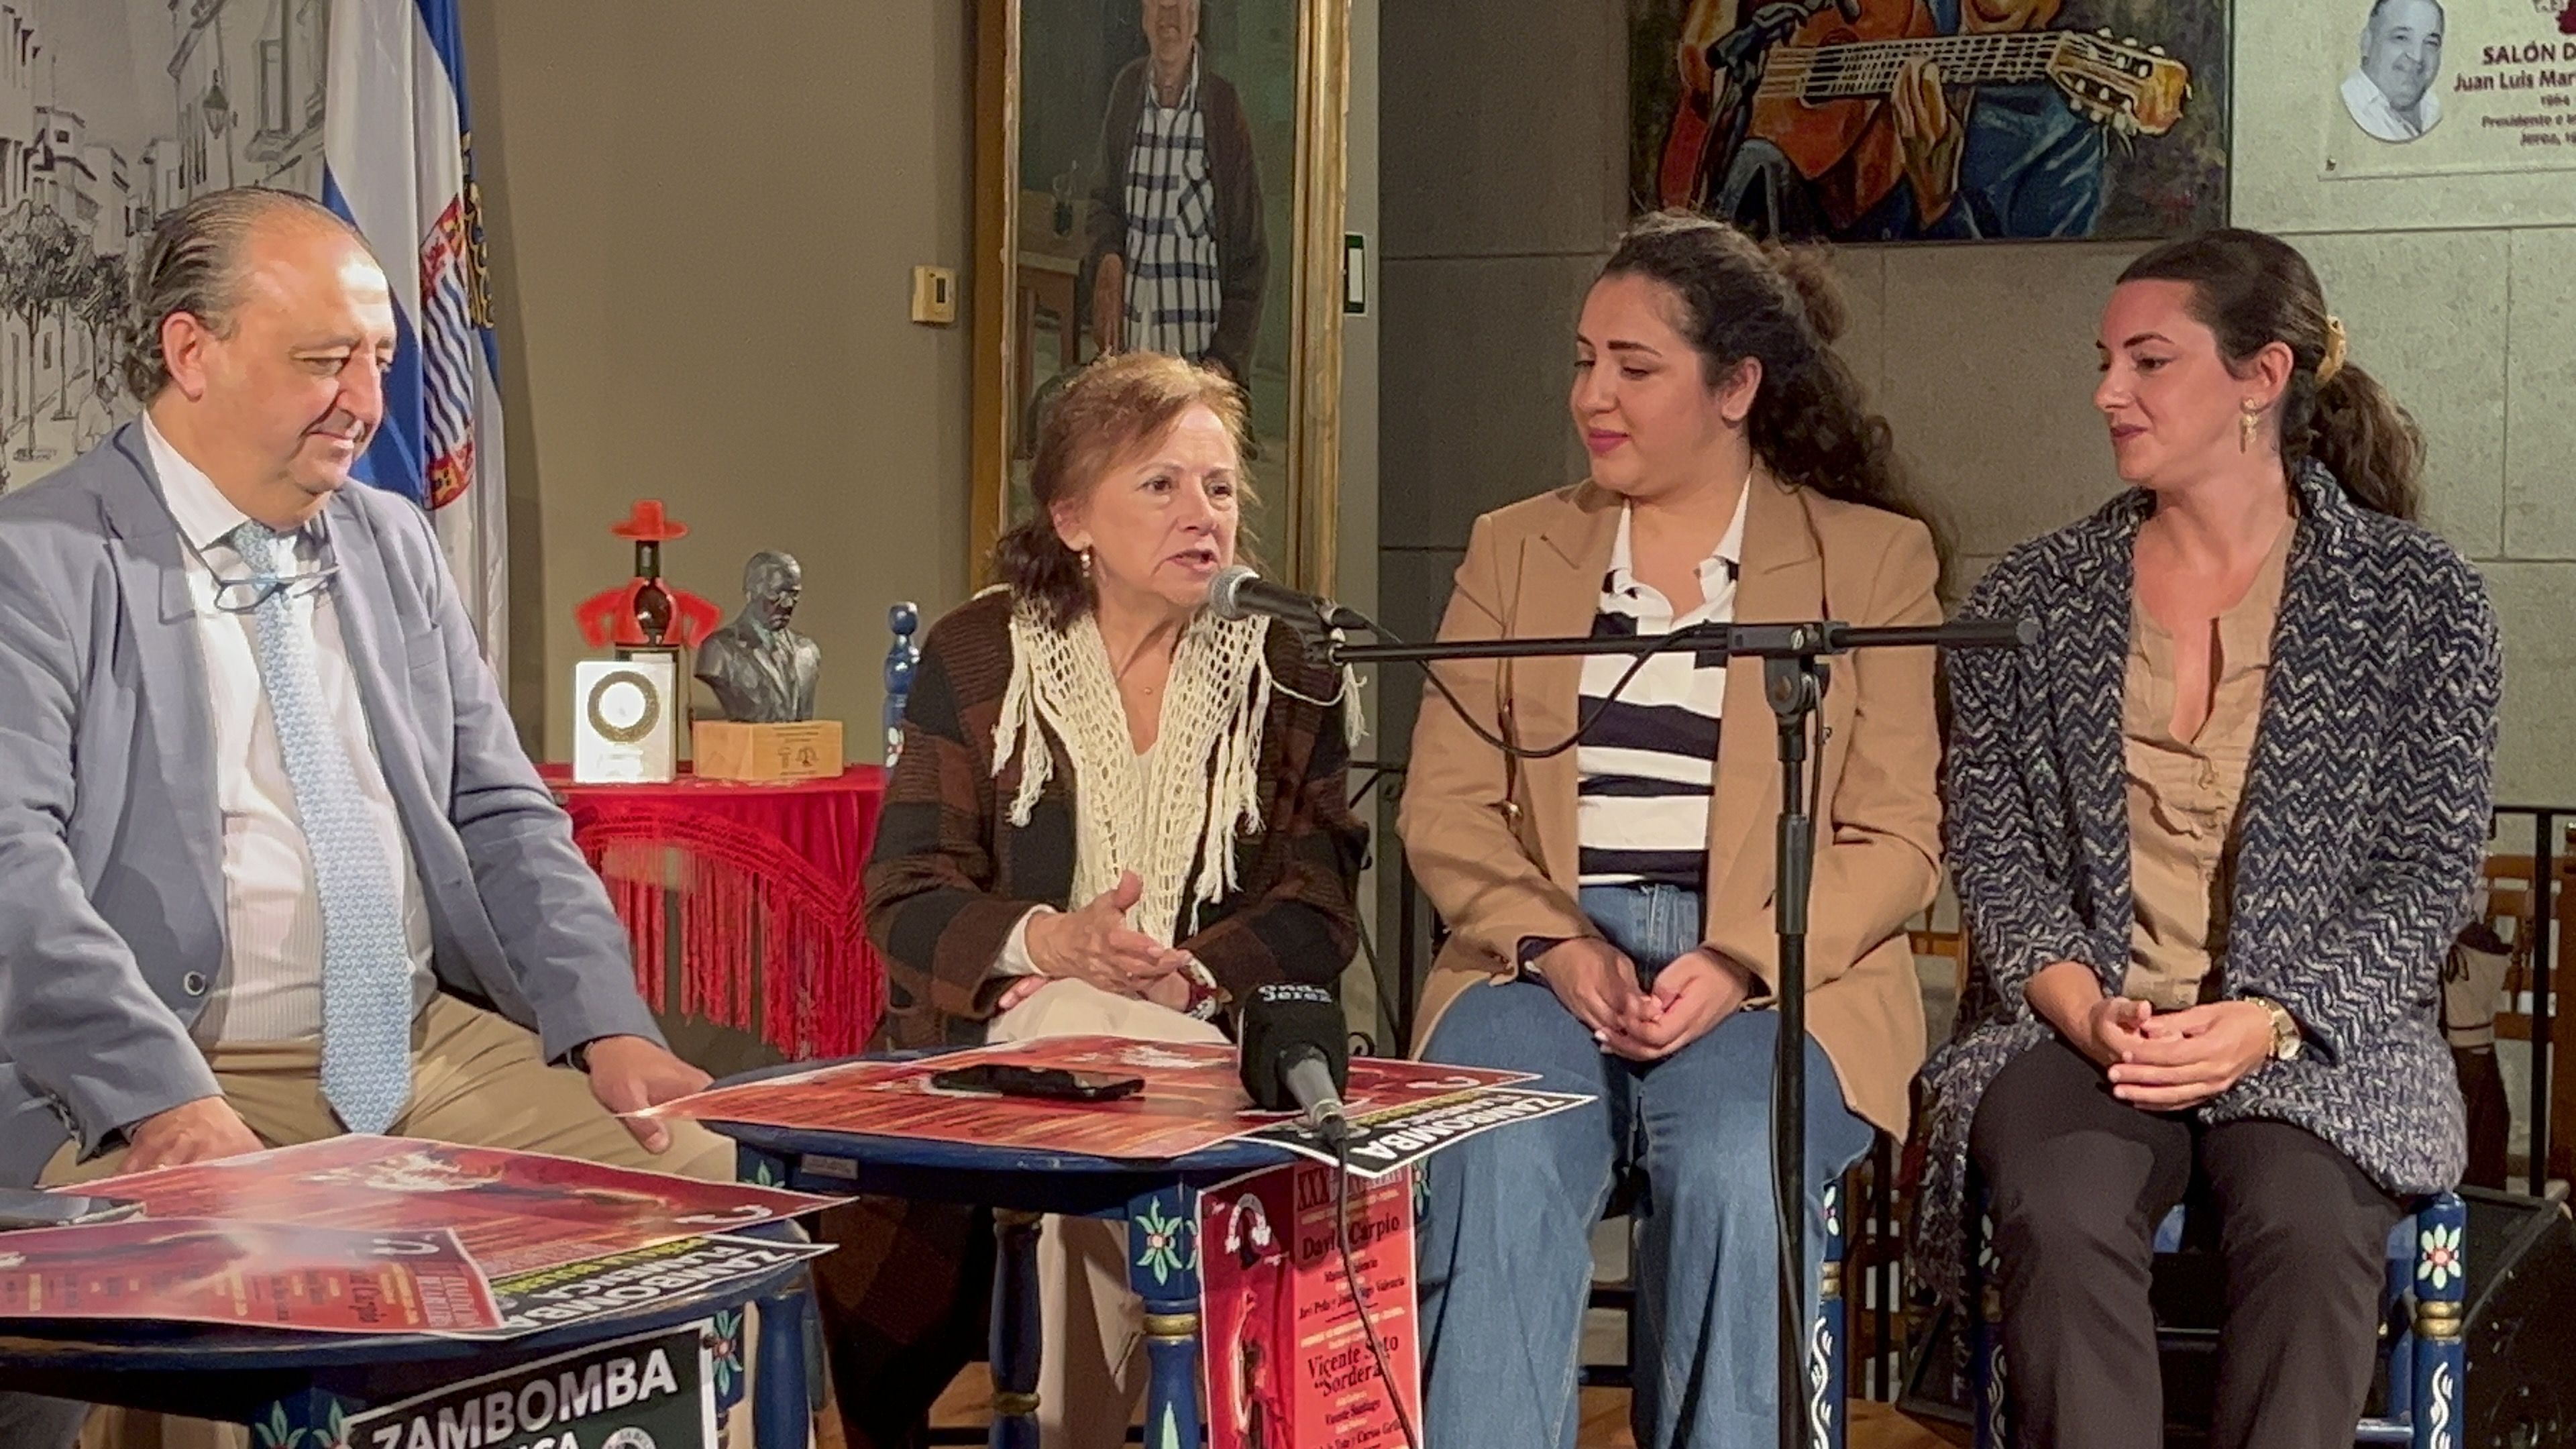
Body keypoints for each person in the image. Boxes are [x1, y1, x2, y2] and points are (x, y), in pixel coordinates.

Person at [0, 188, 731, 1448]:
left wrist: (605, 1023)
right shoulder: (42, 558)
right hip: (179, 1067)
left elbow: (501, 810)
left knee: (702, 1183)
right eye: (324, 361)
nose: (368, 403)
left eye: (380, 361)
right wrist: (163, 1099)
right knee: (236, 1300)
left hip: (419, 1043)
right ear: (193, 353)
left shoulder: (394, 543)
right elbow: (14, 870)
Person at [1915, 228, 2498, 1449]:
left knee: (2309, 1229)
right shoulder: (2034, 593)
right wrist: (2083, 1010)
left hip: (2314, 1039)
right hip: (2083, 1024)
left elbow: (2429, 872)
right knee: (2062, 1210)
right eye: (2104, 360)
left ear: (2260, 378)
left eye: (2149, 361)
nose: (2106, 393)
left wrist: (2268, 1017)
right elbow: (1996, 846)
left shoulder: (2415, 598)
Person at [1399, 211, 1945, 1446]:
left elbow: (1898, 834)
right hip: (1537, 960)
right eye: (1584, 358)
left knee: (1734, 1173)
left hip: (1773, 978)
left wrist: (1741, 956)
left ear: (1737, 386)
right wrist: (1554, 947)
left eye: (1634, 368)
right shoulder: (1514, 547)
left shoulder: (1869, 561)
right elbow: (1446, 805)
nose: (1594, 395)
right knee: (1491, 1158)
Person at [813, 351, 1364, 1449]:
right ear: (1073, 518)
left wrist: (1192, 971)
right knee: (1077, 1042)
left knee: (1112, 1060)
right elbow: (904, 894)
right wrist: (1048, 941)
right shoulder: (981, 653)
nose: (1200, 514)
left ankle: (1075, 1424)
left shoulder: (1285, 662)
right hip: (997, 1039)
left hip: (1206, 1039)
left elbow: (1318, 904)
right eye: (1158, 485)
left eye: (1218, 487)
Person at [1084, 0, 1268, 390]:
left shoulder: (1222, 107)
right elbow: (1103, 203)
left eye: (1181, 5)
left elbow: (1251, 254)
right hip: (1132, 356)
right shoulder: (1126, 92)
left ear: (1196, 19)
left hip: (1198, 367)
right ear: (1144, 17)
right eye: (1159, 4)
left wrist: (1224, 362)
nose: (1169, 16)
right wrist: (1109, 257)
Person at [696, 549, 822, 722]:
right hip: (748, 745)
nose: (787, 604)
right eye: (776, 593)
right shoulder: (719, 649)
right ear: (751, 592)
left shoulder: (807, 652)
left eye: (794, 594)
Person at [2342, 0, 2445, 142]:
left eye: (2430, 43)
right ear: (2366, 43)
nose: (2417, 57)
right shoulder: (2354, 105)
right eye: (2401, 38)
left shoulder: (2434, 109)